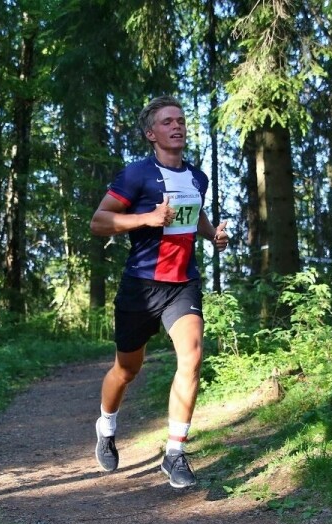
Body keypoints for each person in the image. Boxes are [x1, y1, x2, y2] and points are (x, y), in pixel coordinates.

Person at [89, 95, 229, 489]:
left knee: (193, 355)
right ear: (152, 134)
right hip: (141, 286)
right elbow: (98, 222)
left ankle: (175, 453)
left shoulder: (197, 177)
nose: (177, 126)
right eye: (168, 122)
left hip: (182, 283)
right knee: (127, 369)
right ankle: (107, 424)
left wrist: (211, 234)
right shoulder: (136, 175)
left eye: (181, 120)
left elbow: (194, 212)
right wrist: (146, 217)